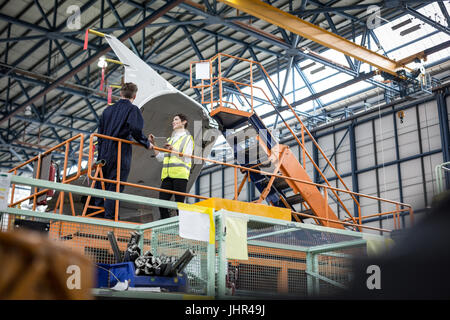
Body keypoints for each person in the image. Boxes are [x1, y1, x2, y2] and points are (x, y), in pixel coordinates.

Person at [94, 82, 152, 219]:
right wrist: (146, 143)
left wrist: (100, 154)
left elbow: (99, 134)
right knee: (115, 185)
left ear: (120, 93)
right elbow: (136, 129)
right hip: (119, 152)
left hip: (103, 153)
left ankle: (97, 214)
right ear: (135, 95)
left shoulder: (107, 111)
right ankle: (110, 219)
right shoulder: (132, 110)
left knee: (102, 183)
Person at [149, 114, 194, 220]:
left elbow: (187, 158)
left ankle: (182, 230)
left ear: (184, 122)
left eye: (176, 119)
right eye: (173, 120)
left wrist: (173, 150)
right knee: (162, 204)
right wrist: (153, 144)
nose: (173, 122)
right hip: (167, 176)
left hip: (180, 175)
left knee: (179, 206)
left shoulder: (187, 138)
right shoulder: (170, 139)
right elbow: (160, 157)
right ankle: (166, 227)